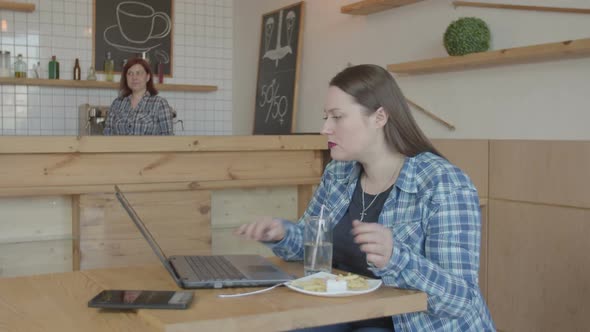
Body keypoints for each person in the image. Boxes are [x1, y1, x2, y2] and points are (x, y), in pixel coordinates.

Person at [235, 64, 495, 331]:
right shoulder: (338, 173)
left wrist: (396, 257)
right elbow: (313, 249)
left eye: (337, 117)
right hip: (347, 312)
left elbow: (460, 299)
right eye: (326, 117)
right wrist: (281, 234)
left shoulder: (443, 182)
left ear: (379, 117)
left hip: (415, 323)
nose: (325, 128)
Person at [103, 58, 173, 135]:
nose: (134, 77)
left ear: (148, 77)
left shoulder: (159, 104)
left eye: (138, 73)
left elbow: (168, 138)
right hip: (119, 147)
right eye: (130, 73)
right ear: (126, 78)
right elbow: (107, 134)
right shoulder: (117, 103)